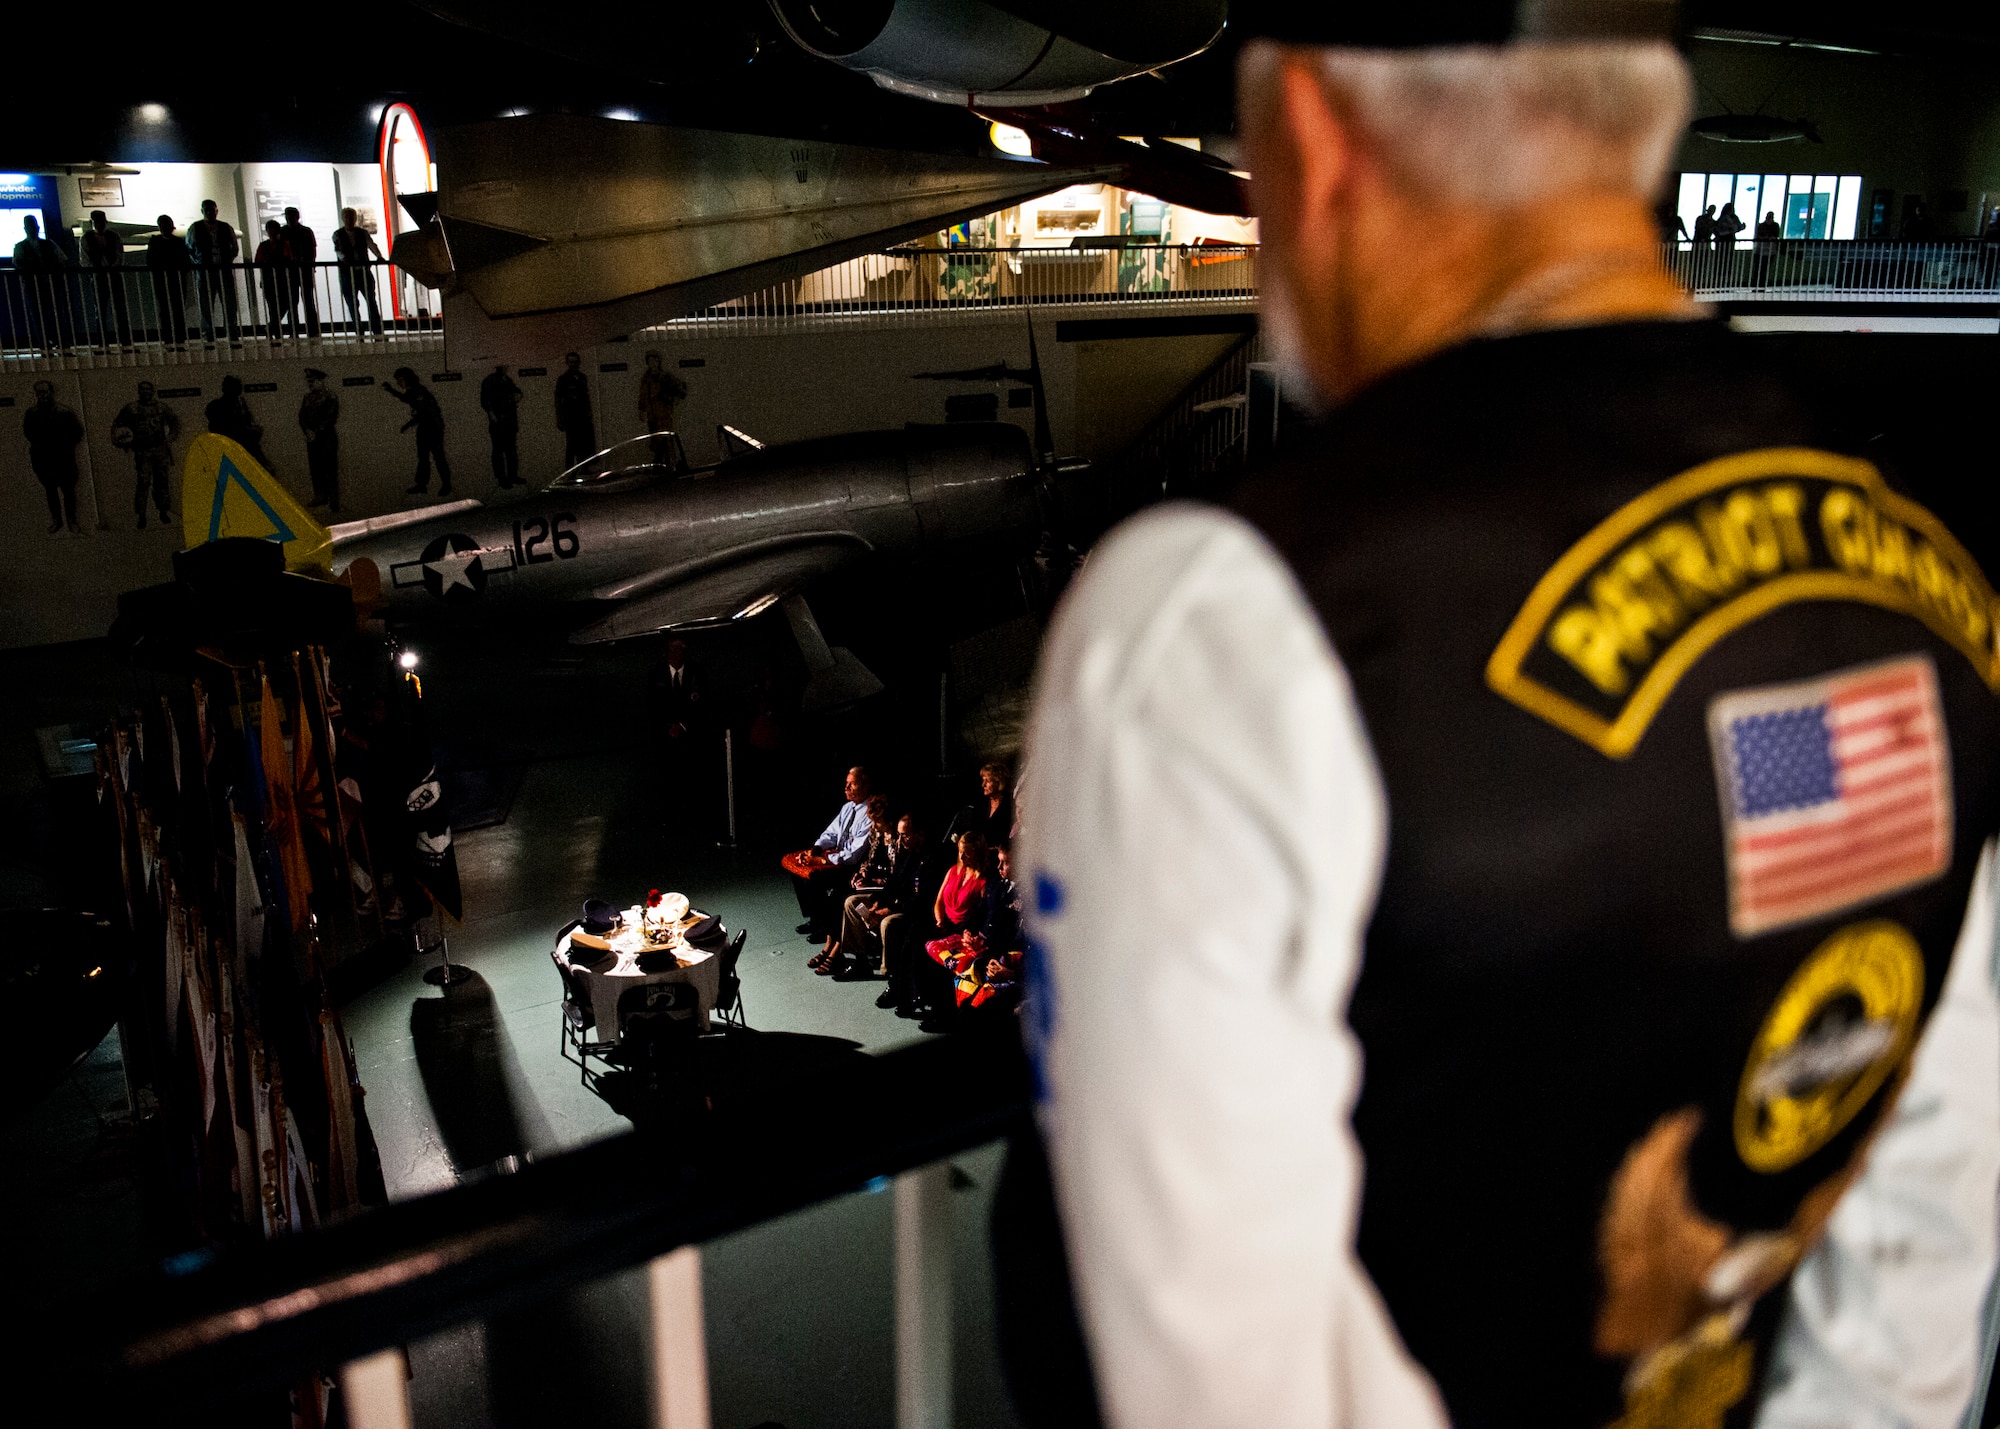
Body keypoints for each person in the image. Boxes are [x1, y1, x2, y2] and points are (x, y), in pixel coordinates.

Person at [1018, 9, 2000, 1429]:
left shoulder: (1230, 617)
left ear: (1308, 131)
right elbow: (1922, 1231)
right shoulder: (1929, 583)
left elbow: (1215, 1384)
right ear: (1633, 126)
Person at [787, 765, 873, 942]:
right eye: (846, 783)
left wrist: (823, 859)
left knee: (815, 878)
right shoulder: (848, 808)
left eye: (852, 784)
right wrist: (816, 849)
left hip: (852, 865)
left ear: (865, 786)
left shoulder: (871, 812)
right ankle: (815, 918)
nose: (846, 788)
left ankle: (825, 927)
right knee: (798, 869)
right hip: (836, 857)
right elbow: (831, 833)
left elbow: (854, 855)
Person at [911, 831, 989, 1024]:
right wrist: (939, 920)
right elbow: (938, 901)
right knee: (913, 936)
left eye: (967, 853)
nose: (962, 857)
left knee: (940, 959)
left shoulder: (983, 881)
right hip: (943, 923)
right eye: (960, 852)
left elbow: (979, 915)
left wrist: (959, 930)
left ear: (977, 853)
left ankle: (942, 1011)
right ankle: (915, 994)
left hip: (961, 929)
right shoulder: (953, 870)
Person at [814, 794, 896, 974]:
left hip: (884, 886)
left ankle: (838, 949)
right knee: (836, 894)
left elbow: (896, 875)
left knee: (848, 901)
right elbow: (868, 860)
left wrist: (873, 880)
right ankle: (830, 944)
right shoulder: (876, 832)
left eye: (878, 822)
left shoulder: (897, 840)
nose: (874, 826)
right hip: (870, 882)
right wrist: (862, 873)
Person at [110, 381, 180, 529]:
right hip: (143, 451)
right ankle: (142, 515)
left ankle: (163, 511)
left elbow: (175, 422)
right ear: (138, 391)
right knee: (143, 483)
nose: (145, 392)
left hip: (160, 449)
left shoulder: (161, 407)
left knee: (161, 482)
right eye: (142, 389)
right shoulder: (132, 408)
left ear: (152, 391)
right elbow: (117, 425)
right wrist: (122, 441)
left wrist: (170, 438)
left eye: (148, 389)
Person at [22, 381, 85, 534]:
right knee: (50, 490)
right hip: (44, 459)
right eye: (39, 393)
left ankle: (71, 520)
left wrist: (64, 443)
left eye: (45, 392)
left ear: (51, 392)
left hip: (63, 458)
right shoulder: (32, 413)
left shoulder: (64, 412)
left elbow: (77, 432)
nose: (42, 396)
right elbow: (28, 433)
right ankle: (56, 520)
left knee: (68, 491)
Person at [386, 368, 451, 497]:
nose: (399, 384)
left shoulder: (418, 391)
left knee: (437, 458)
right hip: (426, 426)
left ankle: (445, 485)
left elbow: (421, 410)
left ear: (407, 379)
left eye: (400, 380)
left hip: (432, 427)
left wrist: (407, 425)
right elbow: (409, 401)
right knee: (424, 458)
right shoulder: (416, 391)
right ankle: (422, 485)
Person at [14, 215, 72, 353]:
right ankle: (48, 344)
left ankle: (55, 343)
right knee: (42, 315)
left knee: (53, 314)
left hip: (46, 285)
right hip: (37, 286)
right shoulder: (46, 244)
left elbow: (62, 260)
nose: (32, 229)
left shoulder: (27, 246)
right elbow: (19, 265)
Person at [187, 198, 241, 346]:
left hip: (223, 270)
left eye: (213, 210)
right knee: (205, 304)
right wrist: (199, 262)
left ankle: (231, 333)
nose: (211, 213)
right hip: (205, 271)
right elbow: (190, 248)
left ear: (216, 211)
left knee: (229, 303)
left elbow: (234, 248)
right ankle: (208, 334)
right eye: (208, 210)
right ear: (203, 211)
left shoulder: (225, 227)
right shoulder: (195, 228)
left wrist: (227, 260)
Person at [81, 210, 132, 350]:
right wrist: (99, 271)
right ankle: (105, 342)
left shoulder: (112, 237)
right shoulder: (87, 239)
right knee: (102, 311)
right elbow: (85, 260)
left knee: (118, 309)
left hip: (112, 276)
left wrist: (109, 268)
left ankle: (123, 341)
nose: (99, 225)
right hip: (100, 278)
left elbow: (119, 256)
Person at [331, 208, 385, 337]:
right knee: (353, 304)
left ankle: (375, 331)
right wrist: (347, 261)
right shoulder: (338, 234)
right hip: (348, 273)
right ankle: (361, 331)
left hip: (362, 271)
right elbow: (339, 252)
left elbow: (371, 245)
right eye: (347, 217)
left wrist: (379, 256)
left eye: (351, 217)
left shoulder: (361, 233)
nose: (349, 220)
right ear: (343, 219)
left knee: (370, 302)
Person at [145, 215, 193, 348]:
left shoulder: (171, 242)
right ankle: (170, 337)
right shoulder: (172, 242)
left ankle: (177, 337)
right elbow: (151, 261)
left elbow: (185, 262)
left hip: (174, 280)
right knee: (167, 310)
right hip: (165, 280)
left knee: (175, 309)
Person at [205, 375, 271, 469]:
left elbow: (248, 420)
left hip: (245, 446)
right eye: (237, 387)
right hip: (231, 447)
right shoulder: (218, 406)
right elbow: (222, 429)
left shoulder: (239, 403)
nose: (240, 390)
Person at [945, 760, 1015, 848]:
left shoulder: (1011, 806)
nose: (983, 785)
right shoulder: (980, 804)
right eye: (983, 780)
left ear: (999, 782)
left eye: (987, 781)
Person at [299, 368, 341, 512]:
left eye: (313, 381)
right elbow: (302, 416)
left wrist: (316, 432)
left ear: (321, 381)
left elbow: (330, 418)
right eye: (308, 381)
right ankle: (320, 496)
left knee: (329, 469)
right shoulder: (307, 397)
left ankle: (334, 500)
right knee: (315, 469)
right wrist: (307, 431)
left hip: (327, 438)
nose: (310, 384)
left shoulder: (330, 397)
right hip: (313, 439)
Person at [637, 350, 687, 470]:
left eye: (654, 360)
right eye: (650, 361)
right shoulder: (646, 378)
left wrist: (666, 398)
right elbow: (643, 395)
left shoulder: (665, 377)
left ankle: (662, 465)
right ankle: (661, 465)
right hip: (652, 415)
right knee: (655, 442)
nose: (652, 363)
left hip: (663, 414)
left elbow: (680, 391)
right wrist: (642, 410)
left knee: (664, 441)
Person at [479, 364, 524, 488]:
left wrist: (517, 396)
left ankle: (512, 476)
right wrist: (492, 415)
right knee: (499, 450)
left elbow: (517, 392)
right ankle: (501, 478)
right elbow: (485, 401)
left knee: (511, 450)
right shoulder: (490, 381)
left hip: (509, 420)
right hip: (499, 421)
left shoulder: (507, 380)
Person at [280, 207, 320, 338]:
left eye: (290, 216)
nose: (288, 219)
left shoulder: (304, 232)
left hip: (303, 270)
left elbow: (312, 250)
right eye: (287, 216)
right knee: (293, 302)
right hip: (293, 271)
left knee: (307, 301)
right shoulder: (286, 231)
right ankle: (295, 331)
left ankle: (311, 331)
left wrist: (310, 265)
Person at [554, 352, 596, 470]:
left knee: (584, 444)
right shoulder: (563, 379)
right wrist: (560, 419)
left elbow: (586, 396)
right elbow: (558, 400)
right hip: (570, 417)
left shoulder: (582, 377)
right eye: (571, 362)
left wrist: (589, 411)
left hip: (582, 416)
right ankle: (570, 471)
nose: (574, 364)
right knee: (571, 446)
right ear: (567, 363)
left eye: (575, 362)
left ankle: (584, 468)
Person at [254, 219, 291, 339]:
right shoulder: (264, 246)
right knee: (273, 307)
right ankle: (275, 330)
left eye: (273, 229)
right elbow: (258, 261)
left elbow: (288, 258)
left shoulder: (284, 244)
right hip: (269, 280)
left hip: (281, 280)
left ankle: (271, 328)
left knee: (283, 305)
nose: (272, 232)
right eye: (270, 229)